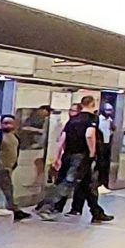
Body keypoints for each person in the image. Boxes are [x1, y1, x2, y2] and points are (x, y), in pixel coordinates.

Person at [35, 93, 112, 223]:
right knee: (67, 182)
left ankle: (97, 212)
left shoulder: (73, 119)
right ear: (93, 104)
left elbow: (62, 139)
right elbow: (89, 135)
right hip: (81, 157)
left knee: (88, 184)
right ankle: (46, 207)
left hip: (68, 154)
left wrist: (57, 156)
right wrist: (92, 152)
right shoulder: (92, 119)